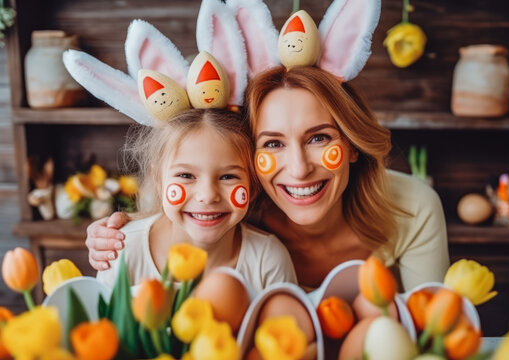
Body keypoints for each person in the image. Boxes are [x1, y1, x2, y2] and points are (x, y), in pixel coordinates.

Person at [88, 66, 449, 292]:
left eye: (319, 137)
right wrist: (111, 234)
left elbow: (437, 329)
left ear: (353, 144)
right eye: (273, 143)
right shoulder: (232, 212)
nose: (298, 168)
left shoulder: (412, 208)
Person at [96, 108, 297, 292]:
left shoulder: (268, 261)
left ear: (253, 186)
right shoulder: (120, 251)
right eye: (186, 175)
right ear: (158, 179)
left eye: (228, 177)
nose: (208, 195)